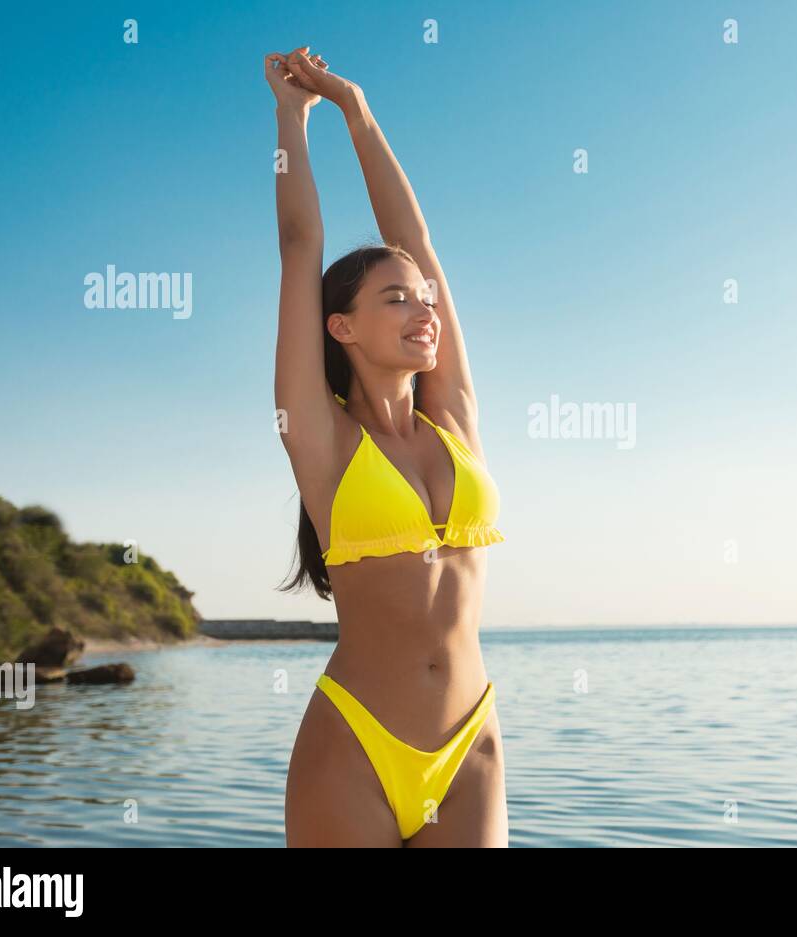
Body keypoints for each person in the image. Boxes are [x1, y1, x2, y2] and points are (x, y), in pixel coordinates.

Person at [267, 46, 507, 847]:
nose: (422, 306)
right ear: (341, 327)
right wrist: (293, 118)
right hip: (357, 746)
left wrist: (356, 110)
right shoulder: (325, 441)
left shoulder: (455, 418)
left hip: (470, 745)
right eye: (393, 297)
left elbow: (419, 240)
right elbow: (302, 246)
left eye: (423, 298)